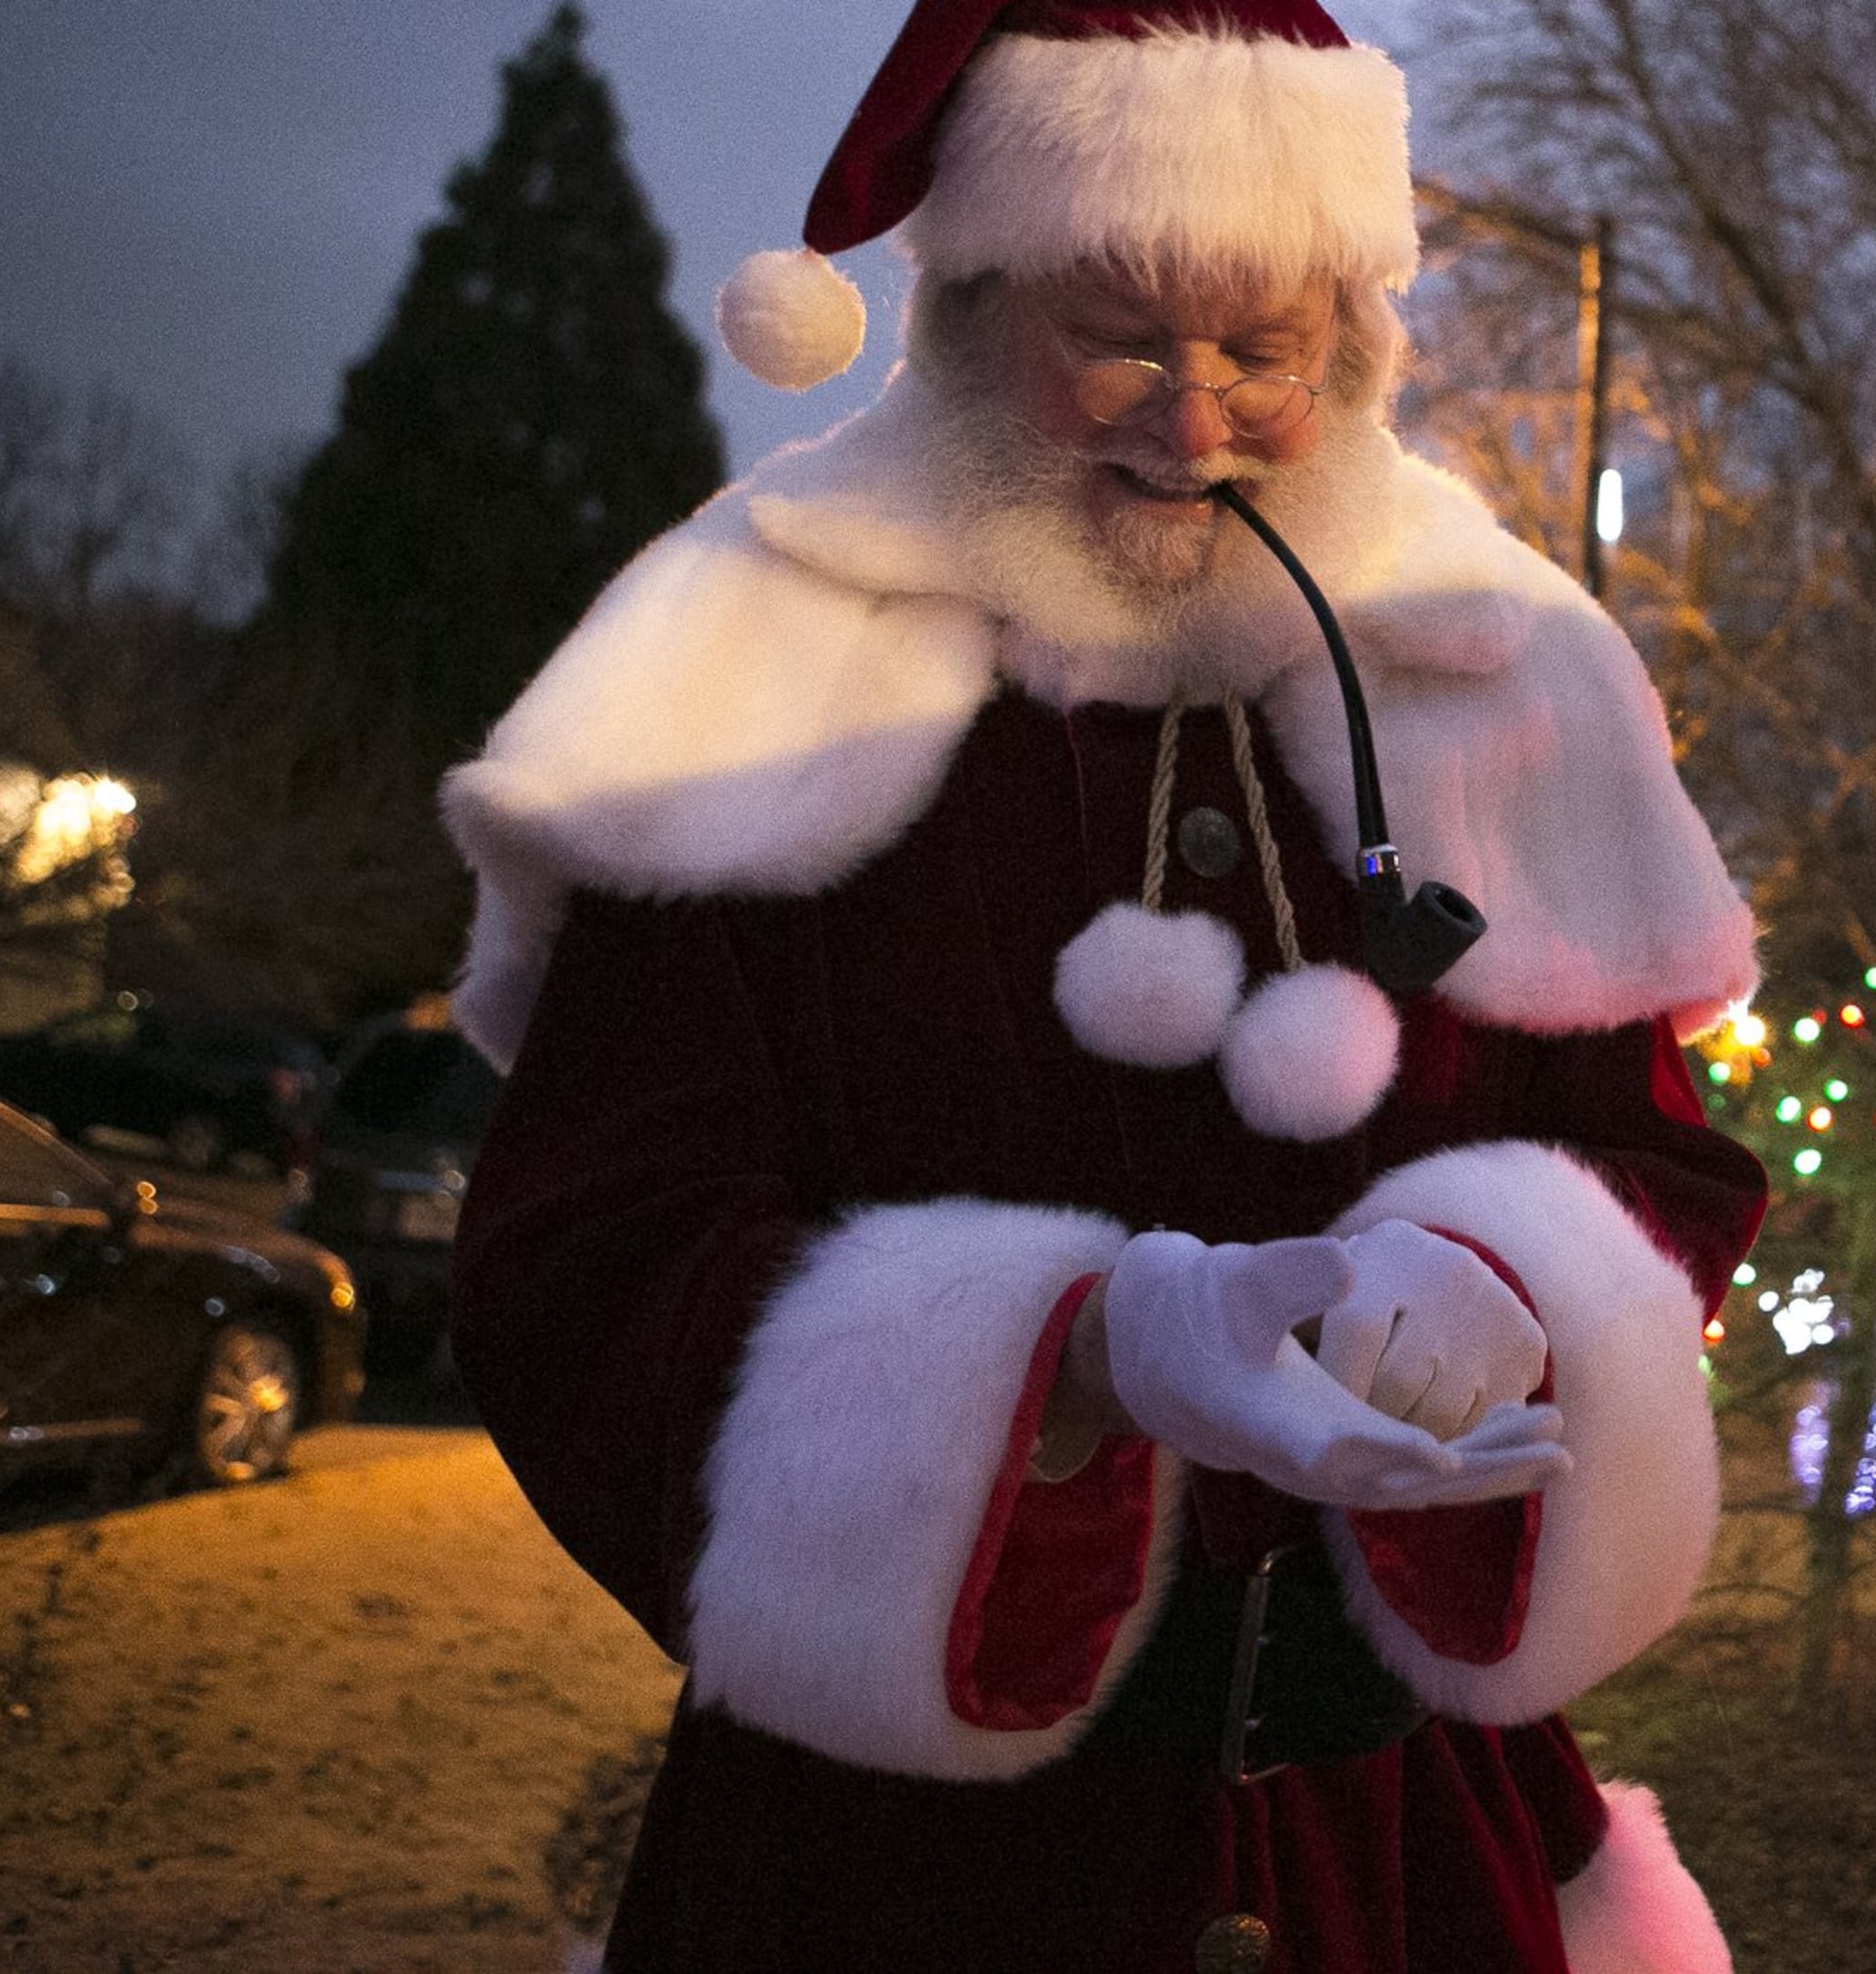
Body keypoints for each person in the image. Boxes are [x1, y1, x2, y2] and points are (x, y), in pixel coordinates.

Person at [439, 2, 1766, 1967]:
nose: (1195, 412)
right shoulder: (741, 676)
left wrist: (1511, 1282)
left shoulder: (1500, 669)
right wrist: (1070, 1355)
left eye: (1262, 348)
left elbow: (1656, 1167)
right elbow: (585, 1266)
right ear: (972, 312)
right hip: (890, 1885)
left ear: (1356, 341)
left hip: (1394, 1852)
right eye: (1123, 334)